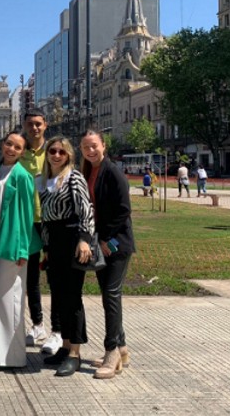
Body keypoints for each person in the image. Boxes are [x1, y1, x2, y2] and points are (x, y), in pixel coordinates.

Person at [80, 130, 136, 379]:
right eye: (85, 147)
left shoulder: (112, 171)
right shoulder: (88, 171)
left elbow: (124, 208)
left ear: (103, 146)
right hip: (101, 242)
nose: (90, 151)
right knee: (108, 294)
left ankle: (111, 351)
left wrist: (105, 238)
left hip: (116, 242)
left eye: (94, 146)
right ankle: (121, 347)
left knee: (111, 294)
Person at [38, 136, 95, 377]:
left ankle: (75, 353)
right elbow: (47, 218)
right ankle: (64, 345)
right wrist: (47, 248)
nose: (57, 155)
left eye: (62, 152)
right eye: (53, 150)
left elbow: (86, 210)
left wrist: (84, 239)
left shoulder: (73, 178)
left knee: (73, 298)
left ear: (69, 155)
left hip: (73, 240)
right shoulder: (45, 181)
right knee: (59, 297)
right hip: (55, 243)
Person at [18, 109, 61, 354]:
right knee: (31, 277)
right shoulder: (20, 152)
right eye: (30, 124)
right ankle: (37, 324)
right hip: (28, 220)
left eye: (38, 124)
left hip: (51, 220)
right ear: (24, 125)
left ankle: (57, 330)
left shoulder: (54, 151)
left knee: (55, 276)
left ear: (45, 125)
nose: (34, 128)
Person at [0, 132, 35, 368]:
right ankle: (2, 352)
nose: (11, 149)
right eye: (9, 144)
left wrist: (22, 249)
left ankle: (13, 356)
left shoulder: (22, 176)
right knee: (1, 297)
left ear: (22, 152)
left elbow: (27, 216)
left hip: (13, 244)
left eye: (17, 147)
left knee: (10, 297)